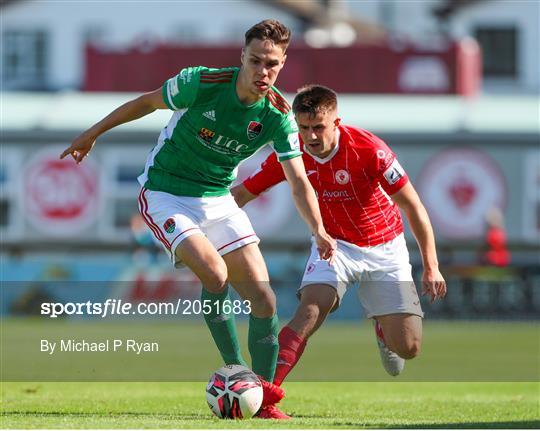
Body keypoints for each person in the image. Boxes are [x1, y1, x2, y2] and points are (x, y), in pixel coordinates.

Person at [60, 21, 336, 419]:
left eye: (272, 64)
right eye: (255, 61)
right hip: (166, 192)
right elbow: (146, 103)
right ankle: (237, 375)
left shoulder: (278, 116)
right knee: (215, 274)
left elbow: (298, 182)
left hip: (217, 199)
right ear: (242, 56)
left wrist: (319, 229)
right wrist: (93, 132)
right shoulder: (202, 83)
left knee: (264, 299)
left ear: (283, 63)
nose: (263, 71)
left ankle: (262, 399)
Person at [232, 84, 447, 418]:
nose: (311, 136)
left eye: (318, 127)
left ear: (336, 122)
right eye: (304, 128)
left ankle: (383, 329)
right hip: (333, 245)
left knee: (409, 348)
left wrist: (431, 266)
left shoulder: (369, 149)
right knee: (310, 311)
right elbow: (243, 193)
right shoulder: (291, 152)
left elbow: (414, 206)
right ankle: (263, 397)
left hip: (385, 247)